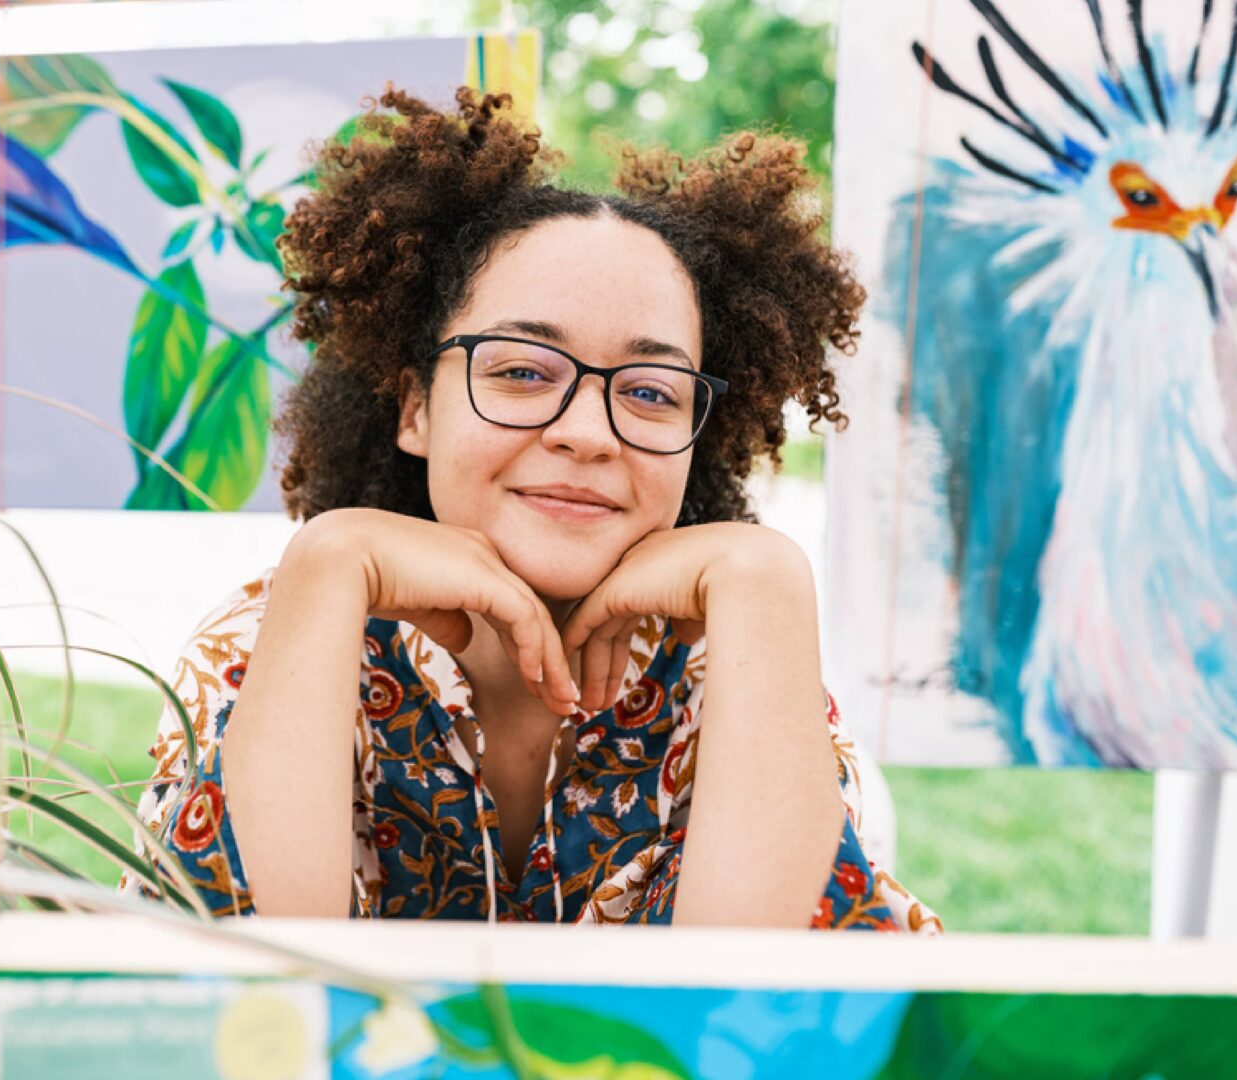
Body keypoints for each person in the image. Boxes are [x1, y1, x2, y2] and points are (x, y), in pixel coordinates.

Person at [125, 86, 939, 931]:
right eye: (521, 371)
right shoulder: (273, 637)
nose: (588, 434)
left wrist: (766, 575)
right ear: (415, 409)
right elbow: (250, 1000)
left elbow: (748, 1007)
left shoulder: (732, 662)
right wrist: (329, 562)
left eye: (653, 391)